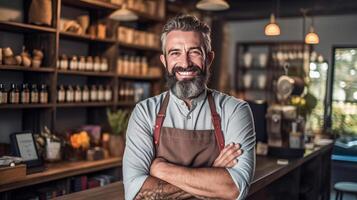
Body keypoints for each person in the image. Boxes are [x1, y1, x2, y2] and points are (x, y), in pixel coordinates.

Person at [123, 14, 256, 200]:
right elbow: (135, 194)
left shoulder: (235, 110)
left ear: (209, 59)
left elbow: (234, 189)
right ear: (164, 61)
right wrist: (212, 175)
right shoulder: (145, 112)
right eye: (175, 53)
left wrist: (161, 169)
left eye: (194, 52)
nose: (185, 63)